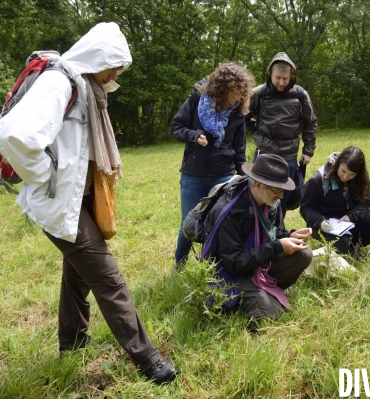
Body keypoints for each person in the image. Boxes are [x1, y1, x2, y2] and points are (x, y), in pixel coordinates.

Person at [0, 23, 177, 384]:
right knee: (108, 279)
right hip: (57, 201)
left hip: (75, 199)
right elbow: (13, 136)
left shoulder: (86, 87)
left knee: (79, 272)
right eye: (114, 65)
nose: (116, 75)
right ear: (97, 57)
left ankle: (72, 342)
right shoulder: (60, 83)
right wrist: (44, 174)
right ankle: (149, 361)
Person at [202, 154, 313, 322]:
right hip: (230, 273)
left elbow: (275, 232)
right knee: (272, 314)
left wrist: (289, 236)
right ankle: (246, 297)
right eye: (278, 190)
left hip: (257, 264)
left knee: (305, 254)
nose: (282, 196)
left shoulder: (270, 202)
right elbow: (233, 263)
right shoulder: (229, 211)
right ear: (259, 185)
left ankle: (262, 290)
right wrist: (278, 247)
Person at [172, 63, 254, 268]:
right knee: (188, 222)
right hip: (193, 173)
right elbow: (176, 128)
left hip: (223, 173)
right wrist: (194, 135)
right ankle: (179, 265)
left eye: (241, 93)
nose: (237, 98)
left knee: (220, 222)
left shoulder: (237, 112)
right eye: (234, 92)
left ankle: (211, 266)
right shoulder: (196, 100)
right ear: (221, 89)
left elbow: (239, 147)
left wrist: (242, 174)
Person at [246, 52, 317, 215]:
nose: (281, 82)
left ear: (292, 75)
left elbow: (310, 123)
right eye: (278, 77)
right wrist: (256, 133)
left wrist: (308, 151)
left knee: (281, 197)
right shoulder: (258, 93)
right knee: (258, 195)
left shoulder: (301, 95)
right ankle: (257, 230)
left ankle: (278, 232)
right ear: (270, 73)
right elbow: (244, 116)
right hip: (264, 153)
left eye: (285, 78)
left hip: (289, 154)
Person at [299, 146, 370, 257]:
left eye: (351, 174)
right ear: (338, 164)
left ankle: (352, 246)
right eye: (343, 171)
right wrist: (320, 222)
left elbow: (364, 202)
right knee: (342, 243)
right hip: (323, 223)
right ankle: (344, 246)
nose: (345, 177)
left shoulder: (361, 178)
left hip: (347, 221)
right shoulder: (318, 179)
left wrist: (350, 216)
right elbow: (306, 208)